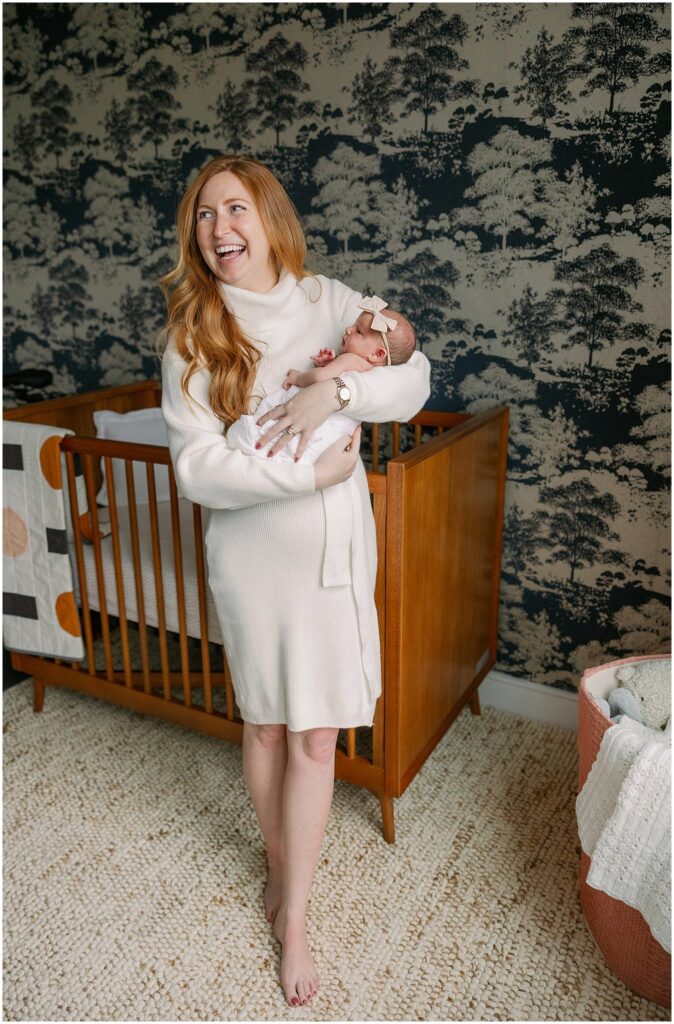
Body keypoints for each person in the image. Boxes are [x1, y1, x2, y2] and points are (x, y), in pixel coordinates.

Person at [157, 154, 431, 1009]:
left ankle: (298, 917)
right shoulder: (191, 334)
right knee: (271, 729)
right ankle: (277, 865)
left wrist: (337, 390)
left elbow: (413, 377)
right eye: (204, 216)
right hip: (253, 554)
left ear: (268, 216)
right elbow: (198, 471)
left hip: (332, 551)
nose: (219, 228)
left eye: (234, 208)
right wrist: (299, 478)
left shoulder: (329, 300)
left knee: (320, 738)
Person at [225, 298, 416, 466]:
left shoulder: (351, 359)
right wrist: (330, 365)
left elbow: (319, 379)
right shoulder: (372, 374)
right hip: (330, 443)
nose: (348, 329)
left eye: (358, 331)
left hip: (315, 420)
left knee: (246, 433)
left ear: (378, 353)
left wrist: (298, 377)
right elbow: (340, 381)